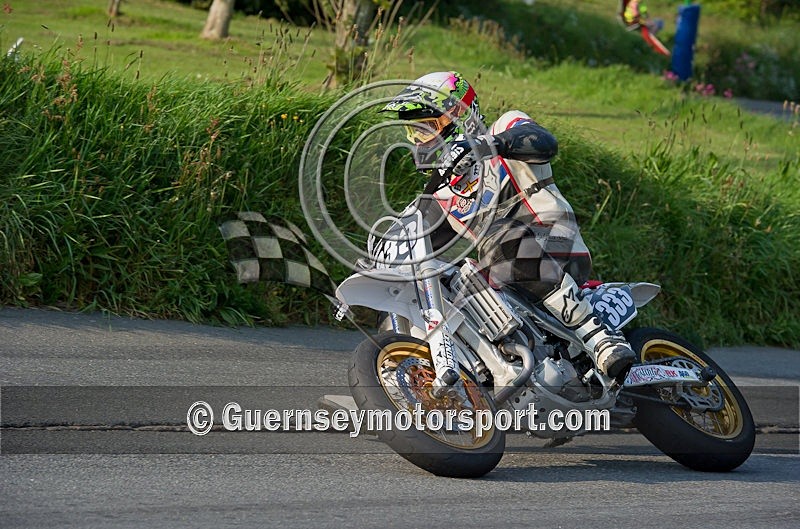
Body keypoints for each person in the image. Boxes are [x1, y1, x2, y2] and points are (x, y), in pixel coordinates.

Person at [382, 71, 637, 380]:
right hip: (504, 277)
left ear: (459, 115)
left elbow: (544, 143)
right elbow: (417, 244)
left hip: (555, 242)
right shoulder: (440, 195)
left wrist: (489, 146)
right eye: (414, 131)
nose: (419, 139)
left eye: (427, 127)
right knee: (440, 283)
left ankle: (599, 338)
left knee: (499, 240)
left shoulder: (505, 128)